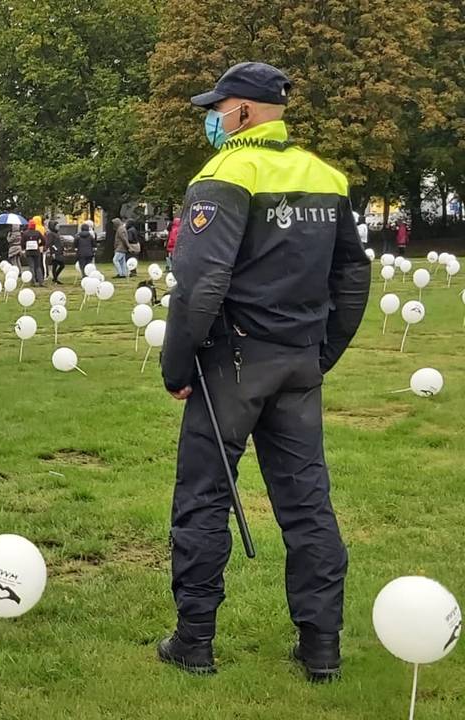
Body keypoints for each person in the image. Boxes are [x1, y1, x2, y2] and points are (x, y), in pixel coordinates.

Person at [158, 62, 370, 682]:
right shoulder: (326, 176)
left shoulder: (226, 172)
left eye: (218, 108)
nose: (213, 118)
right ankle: (321, 645)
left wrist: (176, 366)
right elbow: (353, 277)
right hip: (298, 361)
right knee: (308, 506)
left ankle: (194, 640)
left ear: (244, 111)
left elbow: (200, 283)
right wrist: (322, 351)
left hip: (232, 362)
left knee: (203, 501)